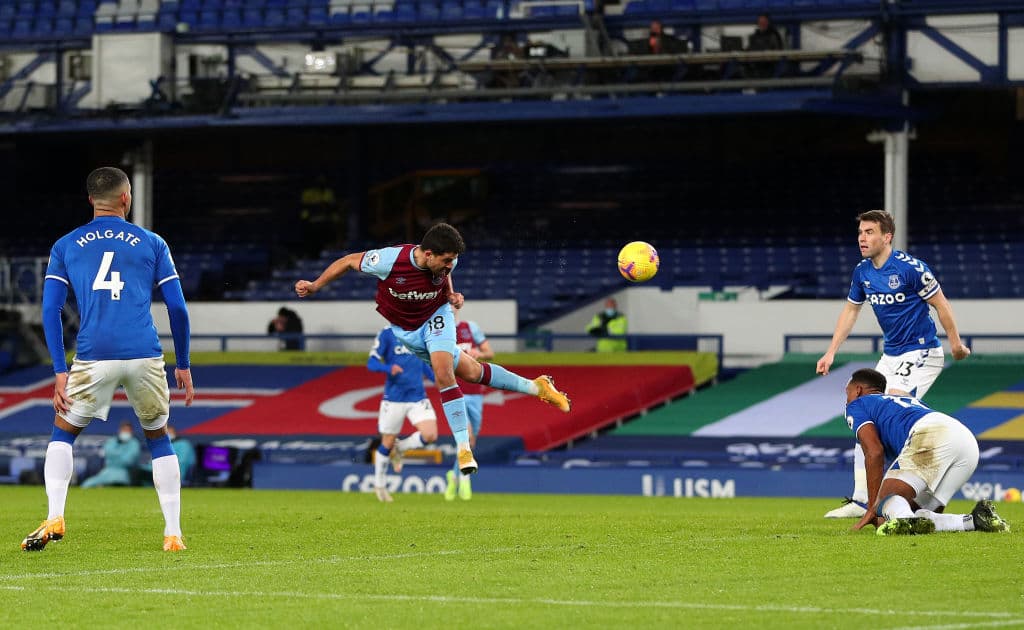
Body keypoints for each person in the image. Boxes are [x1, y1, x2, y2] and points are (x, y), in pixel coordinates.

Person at [295, 222, 570, 479]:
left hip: (437, 316)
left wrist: (450, 294)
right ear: (428, 254)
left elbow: (445, 276)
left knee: (443, 372)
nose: (451, 265)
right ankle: (537, 387)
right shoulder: (389, 260)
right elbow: (347, 261)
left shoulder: (445, 263)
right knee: (472, 372)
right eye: (446, 260)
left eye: (453, 260)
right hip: (406, 331)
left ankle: (464, 448)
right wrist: (316, 285)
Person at [22, 166, 194, 553]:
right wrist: (182, 363)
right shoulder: (152, 242)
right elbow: (178, 309)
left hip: (93, 354)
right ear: (126, 198)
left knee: (63, 433)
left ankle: (55, 514)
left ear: (90, 200)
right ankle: (172, 533)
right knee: (158, 439)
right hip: (144, 353)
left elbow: (50, 310)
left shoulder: (65, 245)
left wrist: (59, 371)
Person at [817, 209, 971, 519]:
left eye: (870, 232)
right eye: (861, 232)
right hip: (891, 355)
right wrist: (831, 351)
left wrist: (955, 342)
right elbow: (850, 312)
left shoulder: (911, 269)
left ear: (887, 237)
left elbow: (940, 304)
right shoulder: (862, 272)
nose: (863, 237)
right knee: (865, 417)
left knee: (893, 407)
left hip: (922, 352)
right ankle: (862, 500)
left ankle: (917, 493)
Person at [844, 368, 1009, 536]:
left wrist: (873, 507)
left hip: (932, 434)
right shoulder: (901, 401)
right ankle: (974, 521)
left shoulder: (856, 404)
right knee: (914, 514)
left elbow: (874, 452)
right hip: (965, 441)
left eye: (847, 392)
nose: (847, 398)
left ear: (857, 390)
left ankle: (904, 520)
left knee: (885, 502)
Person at [367, 326, 438, 503]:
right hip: (394, 398)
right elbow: (372, 363)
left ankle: (401, 447)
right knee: (387, 442)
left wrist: (438, 379)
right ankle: (380, 485)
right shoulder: (386, 333)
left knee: (430, 434)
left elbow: (423, 362)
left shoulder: (420, 331)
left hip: (417, 395)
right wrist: (388, 367)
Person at [445, 308, 495, 501]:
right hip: (455, 391)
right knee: (466, 436)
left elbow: (489, 352)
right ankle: (465, 481)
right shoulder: (439, 331)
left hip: (476, 393)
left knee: (471, 441)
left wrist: (478, 353)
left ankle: (454, 475)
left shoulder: (470, 327)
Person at [81, 421, 141, 488]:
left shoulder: (134, 443)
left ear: (131, 432)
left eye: (128, 430)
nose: (125, 432)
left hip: (123, 473)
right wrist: (120, 455)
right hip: (107, 472)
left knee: (117, 483)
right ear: (119, 430)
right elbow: (108, 452)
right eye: (124, 430)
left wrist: (115, 455)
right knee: (86, 484)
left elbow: (128, 461)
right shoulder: (112, 441)